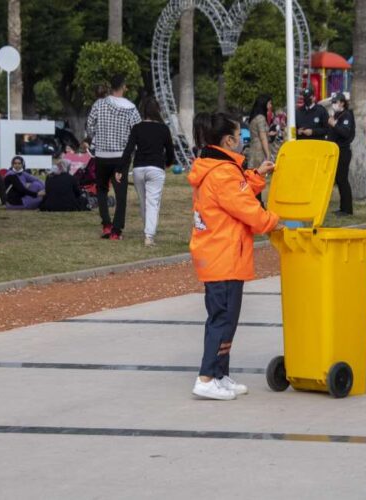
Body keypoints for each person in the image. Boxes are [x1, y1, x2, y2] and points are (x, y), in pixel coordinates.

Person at [188, 112, 282, 400]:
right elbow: (247, 209)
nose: (243, 142)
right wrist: (277, 219)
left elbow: (239, 189)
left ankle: (219, 374)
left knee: (226, 318)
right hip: (224, 257)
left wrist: (258, 175)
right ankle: (206, 377)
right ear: (228, 140)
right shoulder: (223, 173)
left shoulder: (218, 168)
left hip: (219, 254)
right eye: (240, 137)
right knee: (222, 319)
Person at [86, 74, 141, 240]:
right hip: (121, 157)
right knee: (121, 194)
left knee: (101, 190)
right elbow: (137, 131)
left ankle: (106, 224)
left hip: (102, 155)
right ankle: (116, 231)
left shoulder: (99, 104)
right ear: (123, 87)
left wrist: (96, 138)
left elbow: (89, 126)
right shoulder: (131, 108)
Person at [121, 96, 175, 246]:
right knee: (152, 203)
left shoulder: (137, 128)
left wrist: (120, 168)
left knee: (143, 202)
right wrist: (169, 163)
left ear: (142, 111)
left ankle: (147, 229)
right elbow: (170, 150)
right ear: (157, 110)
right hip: (156, 168)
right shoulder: (164, 129)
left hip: (138, 168)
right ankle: (149, 236)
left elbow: (128, 150)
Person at [328, 92, 356, 216]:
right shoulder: (337, 115)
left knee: (342, 179)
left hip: (343, 151)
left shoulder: (347, 115)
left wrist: (334, 125)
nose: (334, 104)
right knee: (339, 180)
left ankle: (347, 209)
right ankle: (342, 207)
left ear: (342, 103)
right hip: (335, 151)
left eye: (336, 102)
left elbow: (345, 133)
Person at [247, 94, 273, 169]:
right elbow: (262, 137)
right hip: (260, 152)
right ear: (264, 103)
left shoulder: (254, 117)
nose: (271, 105)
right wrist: (268, 154)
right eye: (270, 103)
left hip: (253, 149)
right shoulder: (261, 118)